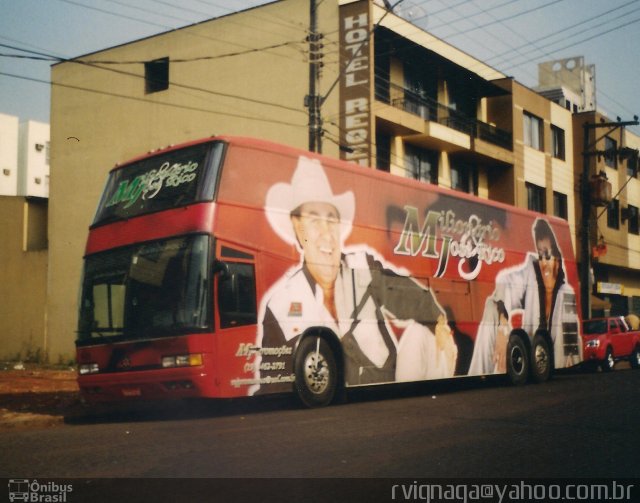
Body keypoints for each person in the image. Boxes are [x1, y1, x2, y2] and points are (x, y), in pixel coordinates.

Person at [253, 156, 457, 392]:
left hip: (390, 394)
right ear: (298, 228)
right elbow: (272, 383)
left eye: (331, 220)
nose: (326, 233)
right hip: (341, 409)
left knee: (424, 332)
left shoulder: (363, 268)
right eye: (314, 220)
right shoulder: (280, 306)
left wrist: (440, 324)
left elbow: (413, 298)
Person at [469, 218, 580, 375]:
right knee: (491, 305)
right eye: (540, 255)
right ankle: (480, 371)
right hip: (530, 338)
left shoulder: (565, 292)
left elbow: (570, 343)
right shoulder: (531, 273)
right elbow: (504, 281)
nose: (544, 262)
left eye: (548, 255)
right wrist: (503, 326)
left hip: (561, 355)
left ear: (557, 258)